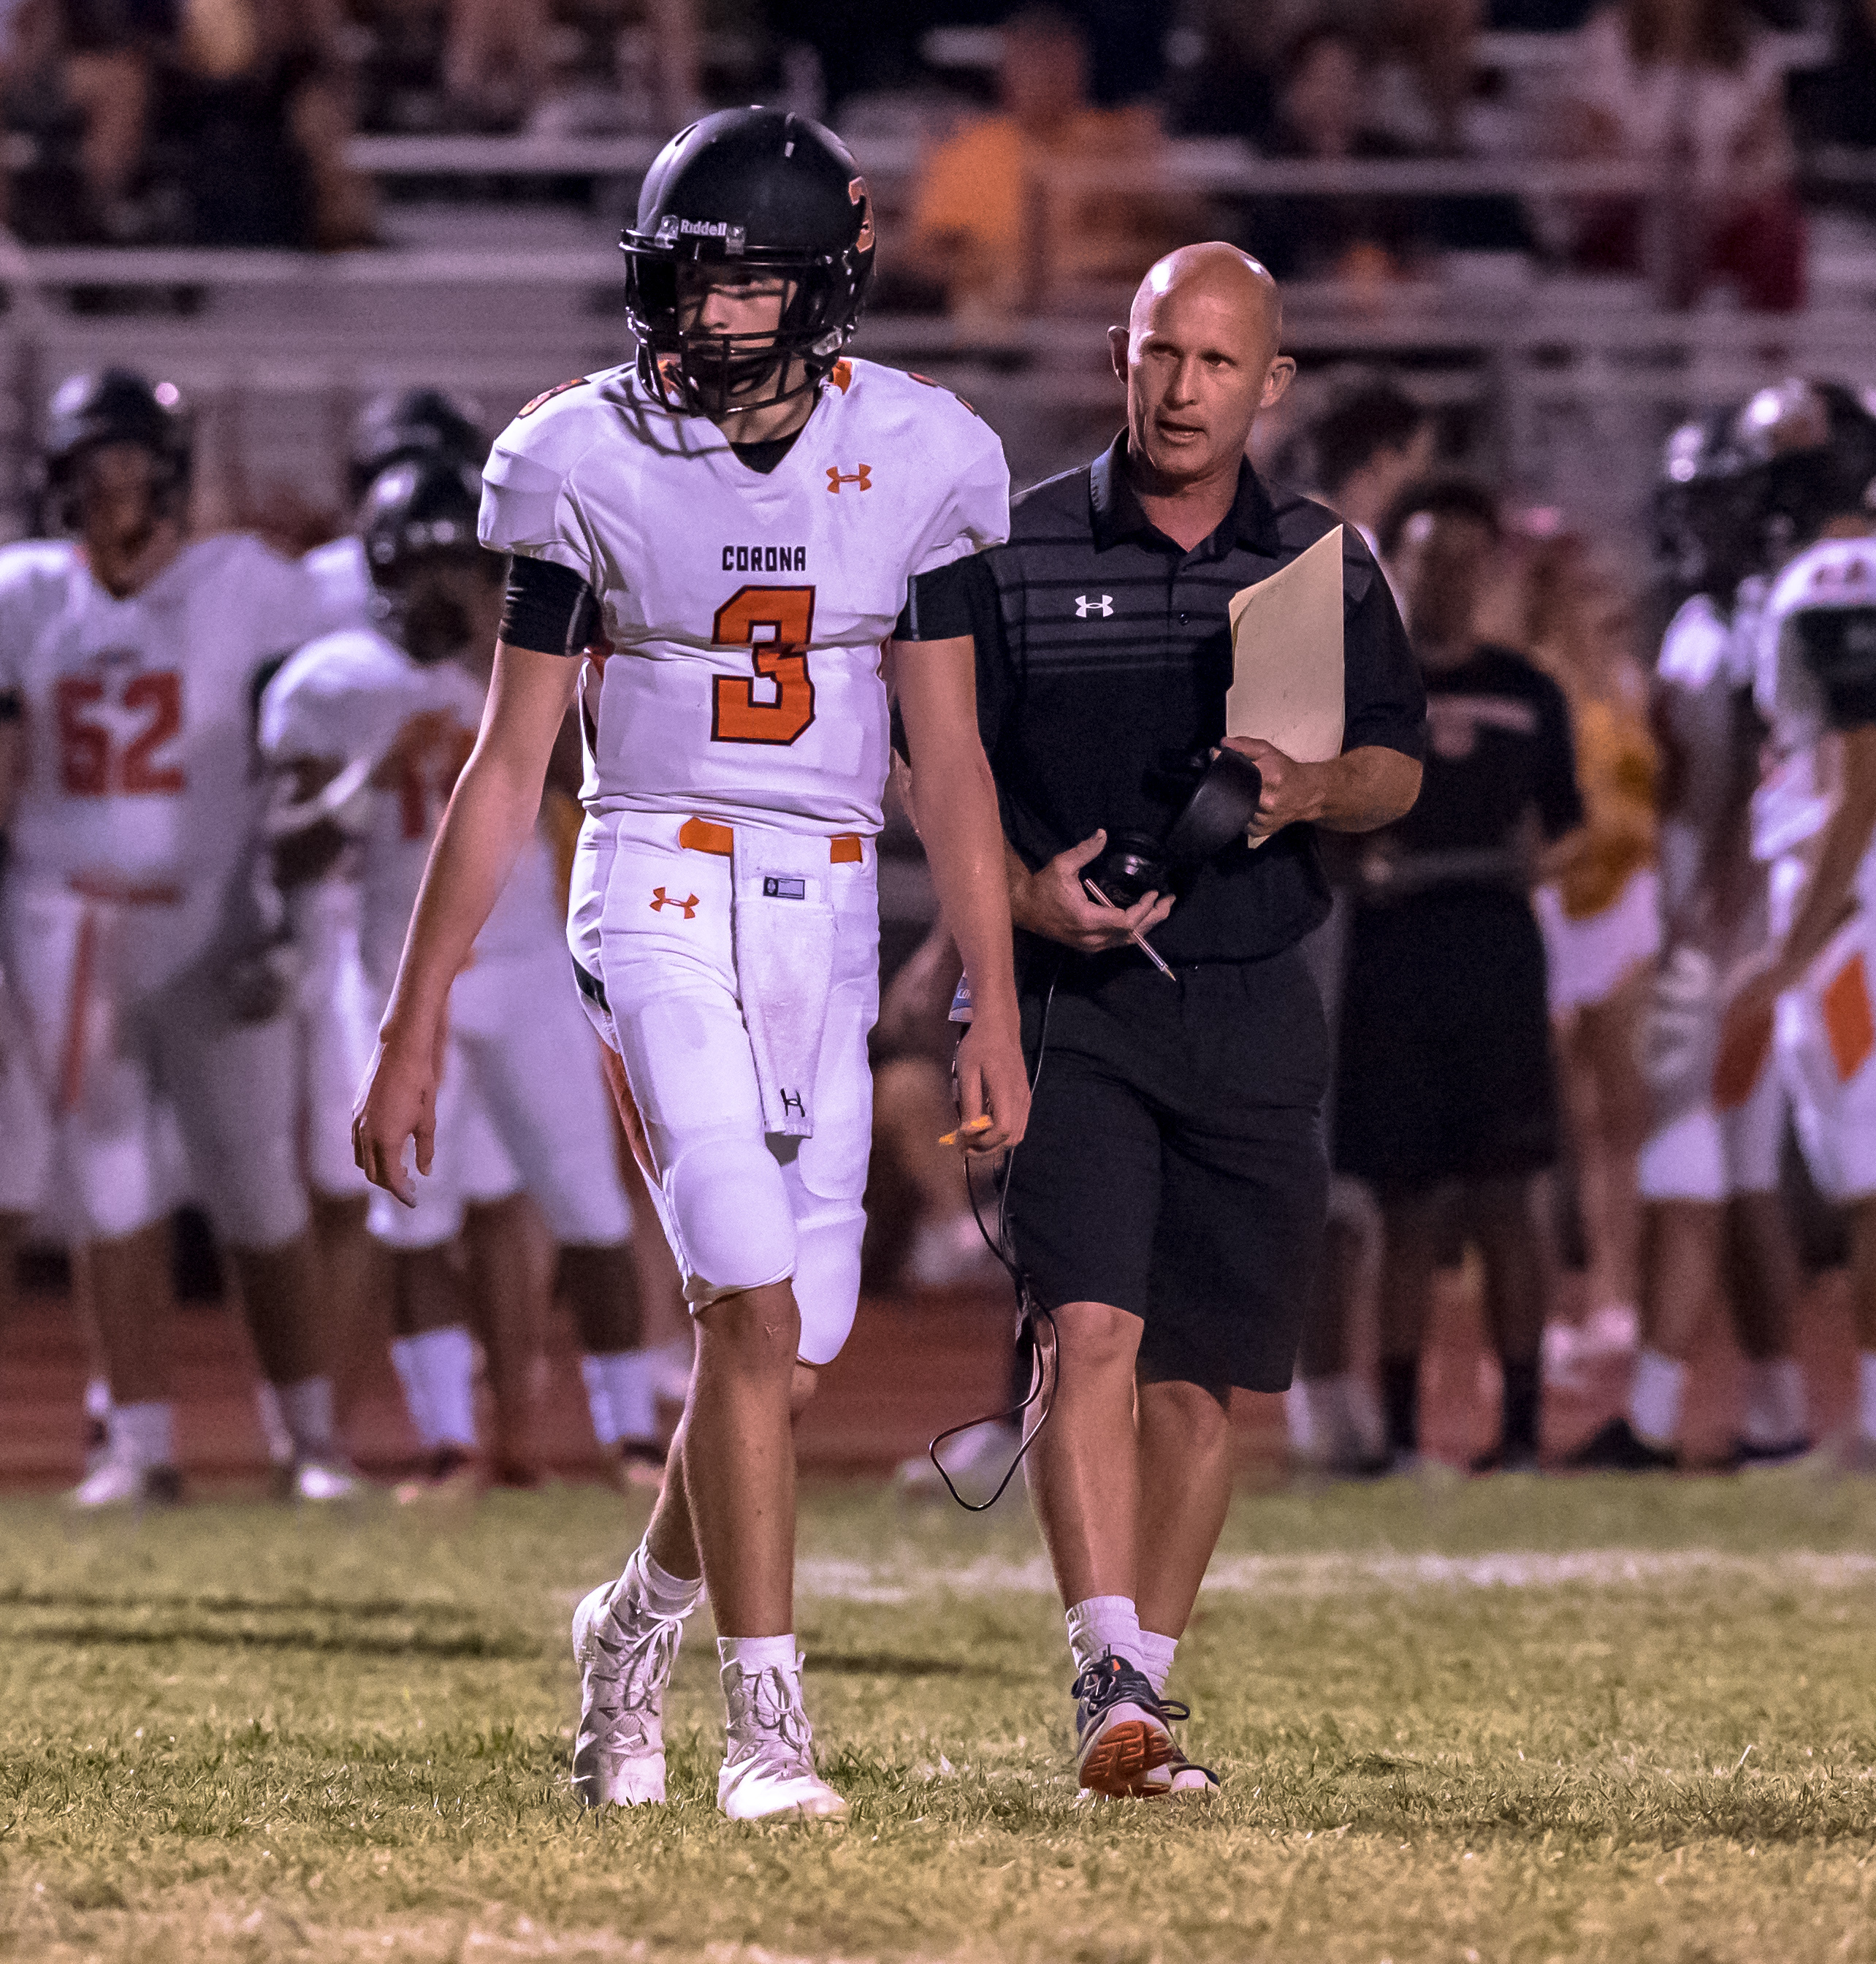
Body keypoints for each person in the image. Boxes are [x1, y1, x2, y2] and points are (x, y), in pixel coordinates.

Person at [351, 108, 1029, 1821]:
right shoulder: (579, 452)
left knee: (788, 1348)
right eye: (686, 281)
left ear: (824, 289)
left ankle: (629, 1629)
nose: (702, 317)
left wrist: (992, 997)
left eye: (741, 285)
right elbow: (509, 764)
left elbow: (949, 761)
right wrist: (415, 1017)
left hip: (826, 903)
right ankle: (767, 1732)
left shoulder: (922, 456)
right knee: (743, 1290)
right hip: (650, 873)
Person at [896, 243, 1425, 1796]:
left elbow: (1397, 764)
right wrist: (1017, 903)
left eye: (1215, 362)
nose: (1181, 389)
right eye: (1158, 353)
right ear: (1118, 359)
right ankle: (1108, 1681)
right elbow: (929, 764)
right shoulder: (1011, 547)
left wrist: (1311, 788)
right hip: (1077, 1003)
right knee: (1088, 1331)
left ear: (1272, 383)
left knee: (1206, 1379)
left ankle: (1145, 1688)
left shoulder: (1321, 562)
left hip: (1256, 997)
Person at [264, 454, 656, 1496]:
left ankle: (632, 1438)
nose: (446, 590)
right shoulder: (332, 681)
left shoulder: (524, 659)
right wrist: (370, 776)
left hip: (528, 970)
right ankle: (447, 1440)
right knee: (412, 1216)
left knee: (588, 1202)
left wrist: (511, 683)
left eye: (462, 569)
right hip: (402, 980)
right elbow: (290, 848)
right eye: (427, 567)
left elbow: (597, 780)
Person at [0, 369, 352, 1507]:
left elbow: (311, 768)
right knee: (110, 1182)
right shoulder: (26, 593)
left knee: (258, 1187)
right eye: (86, 466)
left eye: (123, 462)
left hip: (214, 915)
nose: (105, 488)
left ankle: (309, 1441)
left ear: (165, 472)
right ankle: (139, 1446)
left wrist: (295, 915)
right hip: (70, 918)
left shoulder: (248, 585)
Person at [1573, 405, 1808, 1469]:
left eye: (1709, 501)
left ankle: (1655, 1416)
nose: (1687, 521)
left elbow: (1761, 784)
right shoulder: (1715, 616)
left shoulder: (1757, 620)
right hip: (1726, 923)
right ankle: (1779, 1412)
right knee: (1747, 1175)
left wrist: (1708, 928)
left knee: (1681, 1154)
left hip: (1723, 928)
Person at [1338, 476, 1583, 1475]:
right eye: (1430, 559)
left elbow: (1570, 827)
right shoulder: (1358, 690)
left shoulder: (1529, 691)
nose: (1448, 580)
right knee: (1401, 1206)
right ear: (1397, 565)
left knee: (1506, 1199)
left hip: (1497, 965)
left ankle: (1520, 1433)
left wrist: (1538, 864)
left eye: (1468, 563)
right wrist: (1354, 862)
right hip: (1392, 966)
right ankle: (1399, 1438)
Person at [1717, 380, 1876, 1471]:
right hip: (1843, 901)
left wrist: (1790, 949)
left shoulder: (1834, 580)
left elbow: (1860, 782)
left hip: (1848, 910)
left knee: (1867, 1177)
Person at [1522, 534, 1659, 1333]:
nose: (1604, 603)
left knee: (1620, 1114)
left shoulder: (1629, 682)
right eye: (1585, 589)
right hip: (1552, 906)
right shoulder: (1535, 682)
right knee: (1554, 1120)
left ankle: (1617, 1291)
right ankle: (1548, 1307)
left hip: (1623, 905)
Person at [906, 5, 1184, 320]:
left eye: (1059, 59)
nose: (1047, 74)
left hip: (1110, 313)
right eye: (1034, 60)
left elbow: (1179, 225)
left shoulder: (1121, 139)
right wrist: (992, 273)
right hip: (1001, 323)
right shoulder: (967, 149)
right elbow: (929, 254)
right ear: (1007, 70)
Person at [1557, 0, 1804, 311]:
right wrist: (1661, 189)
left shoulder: (1753, 43)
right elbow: (1592, 151)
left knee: (1775, 224)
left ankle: (1772, 336)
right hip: (1632, 205)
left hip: (1722, 207)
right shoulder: (1610, 36)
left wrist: (1721, 198)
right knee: (1660, 220)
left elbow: (1767, 153)